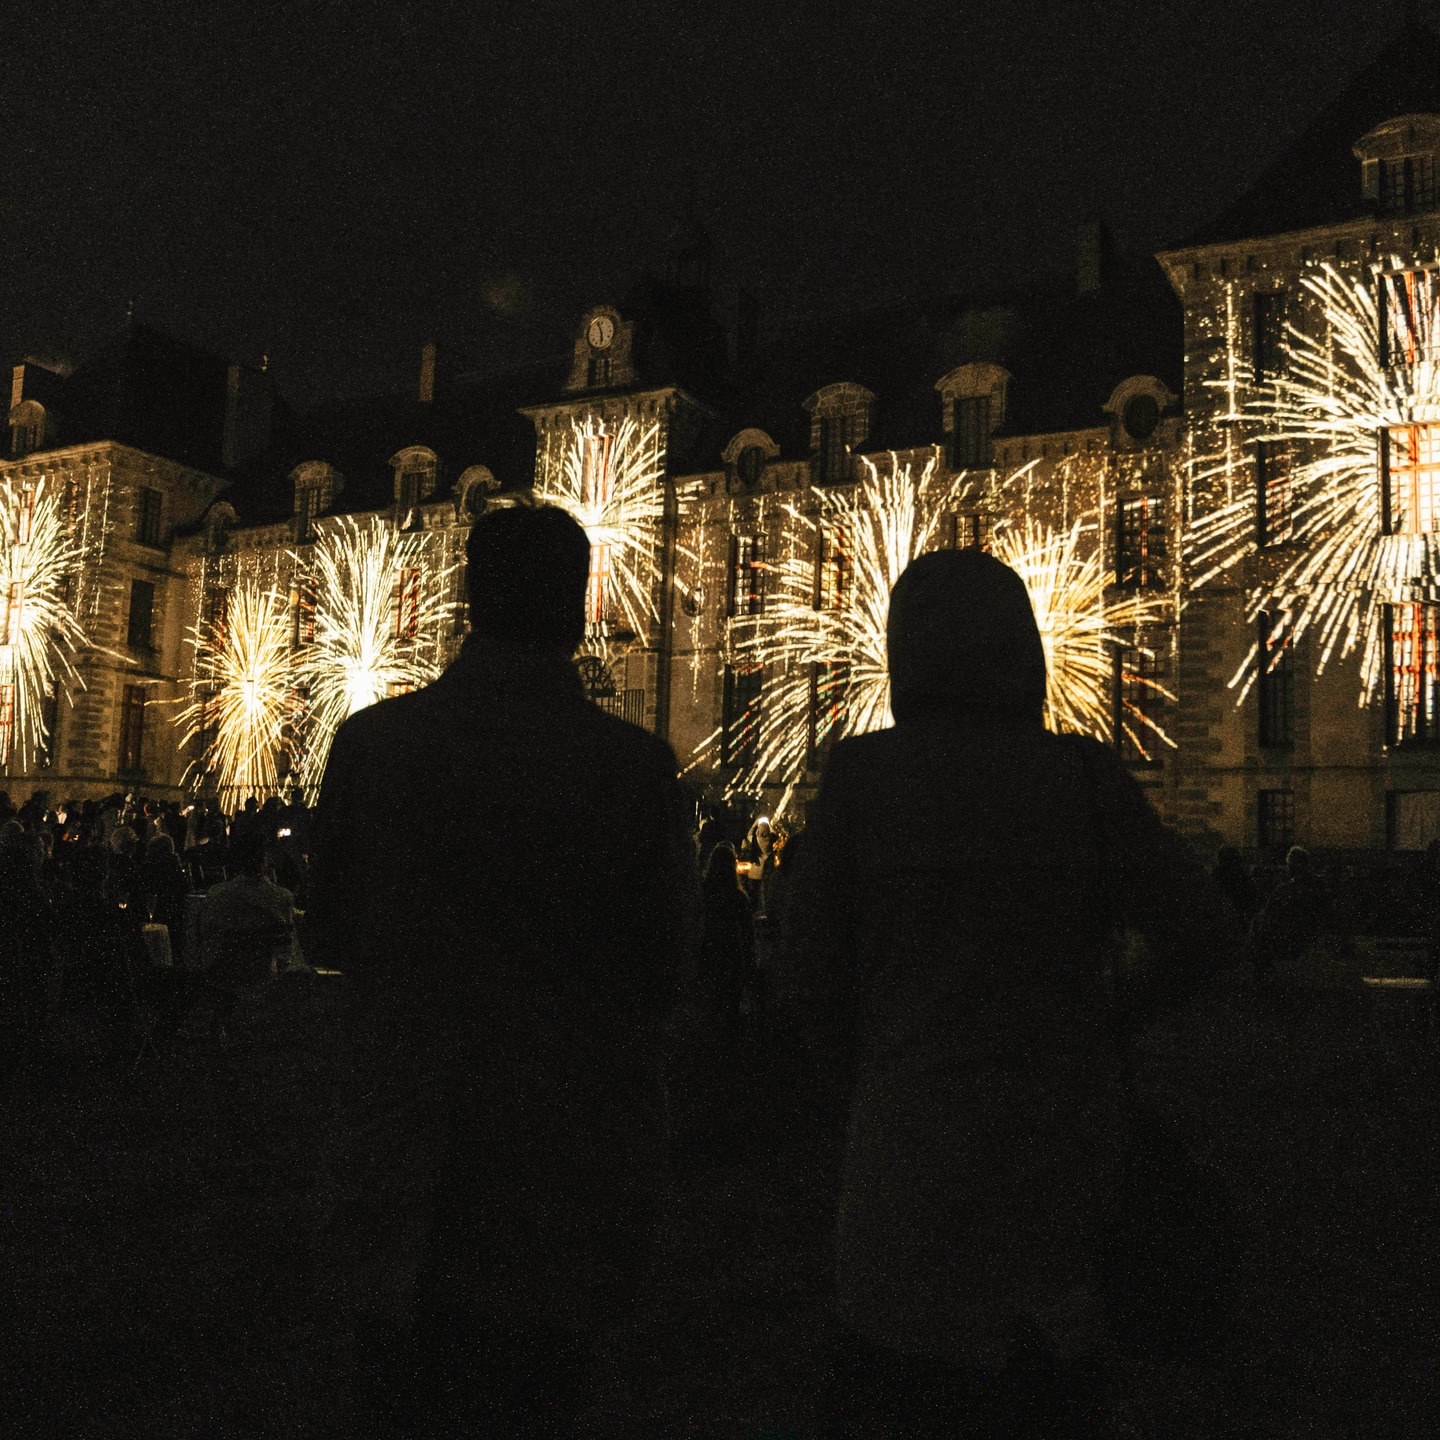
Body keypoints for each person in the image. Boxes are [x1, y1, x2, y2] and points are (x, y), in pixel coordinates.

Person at [779, 548, 1242, 1438]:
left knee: (896, 1382)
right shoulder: (1081, 778)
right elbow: (1207, 935)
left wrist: (868, 1071)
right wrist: (1108, 1023)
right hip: (1058, 1152)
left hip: (903, 1164)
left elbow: (809, 981)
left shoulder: (863, 781)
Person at [309, 502, 697, 1437]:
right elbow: (665, 976)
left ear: (469, 600)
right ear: (578, 608)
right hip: (560, 1167)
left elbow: (328, 939)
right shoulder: (636, 770)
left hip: (408, 1157)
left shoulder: (374, 746)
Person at [697, 842, 758, 1038]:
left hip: (708, 955)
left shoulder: (703, 894)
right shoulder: (738, 898)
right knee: (730, 1012)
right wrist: (750, 965)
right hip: (731, 958)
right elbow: (748, 935)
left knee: (710, 1009)